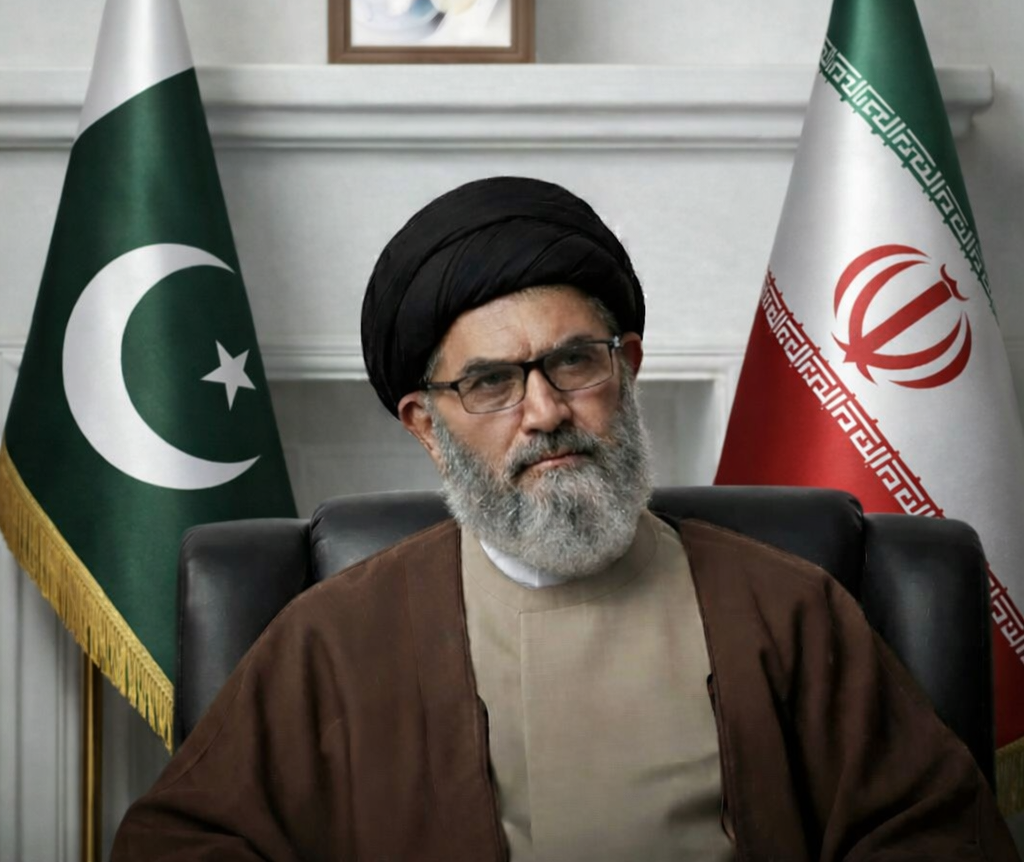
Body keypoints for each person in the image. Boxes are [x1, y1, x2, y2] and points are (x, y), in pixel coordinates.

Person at [111, 177, 1017, 861]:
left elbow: (937, 837)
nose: (544, 412)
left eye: (574, 363)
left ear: (627, 367)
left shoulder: (787, 609)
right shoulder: (333, 638)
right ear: (427, 426)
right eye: (490, 383)